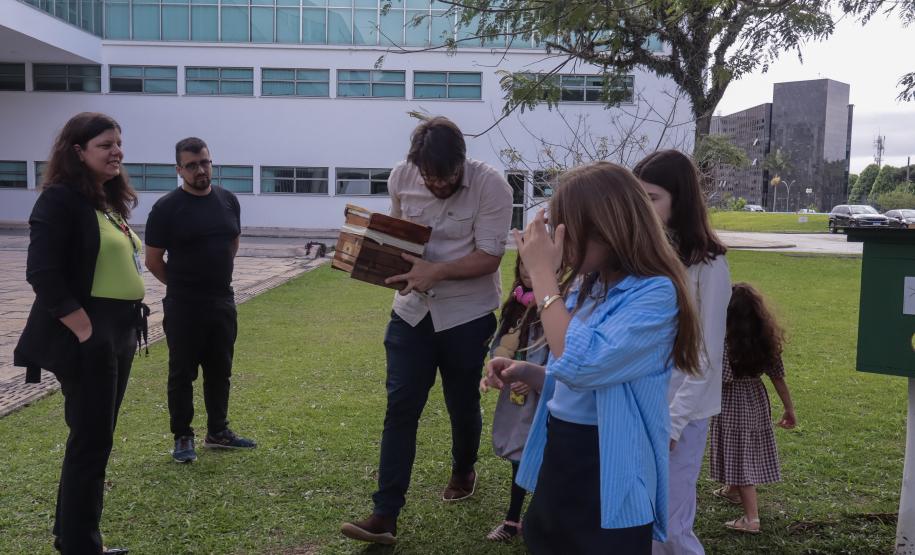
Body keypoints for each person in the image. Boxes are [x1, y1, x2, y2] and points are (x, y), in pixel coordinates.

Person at [490, 161, 703, 554]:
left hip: (609, 467)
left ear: (608, 227)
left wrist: (542, 278)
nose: (559, 245)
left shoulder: (655, 294)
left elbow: (587, 364)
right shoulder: (587, 287)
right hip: (562, 454)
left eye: (567, 231)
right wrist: (533, 374)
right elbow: (575, 375)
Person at [340, 116, 513, 545]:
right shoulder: (402, 176)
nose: (437, 184)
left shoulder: (492, 187)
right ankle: (384, 514)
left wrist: (436, 272)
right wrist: (380, 261)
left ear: (462, 162)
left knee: (460, 402)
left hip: (467, 315)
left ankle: (463, 468)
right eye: (429, 177)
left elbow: (490, 256)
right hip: (411, 313)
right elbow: (400, 237)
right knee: (400, 408)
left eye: (447, 176)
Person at [14, 112, 146, 555]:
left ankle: (74, 537)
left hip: (121, 331)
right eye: (106, 145)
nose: (117, 152)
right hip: (90, 335)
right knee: (90, 441)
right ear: (77, 151)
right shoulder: (59, 200)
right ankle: (79, 545)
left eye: (118, 143)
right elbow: (43, 273)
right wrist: (86, 330)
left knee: (97, 437)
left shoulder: (105, 201)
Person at [633, 150, 732, 555]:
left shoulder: (709, 265)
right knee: (638, 520)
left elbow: (706, 356)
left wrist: (673, 424)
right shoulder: (645, 258)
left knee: (670, 527)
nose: (644, 209)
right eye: (638, 199)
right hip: (638, 405)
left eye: (652, 198)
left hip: (682, 415)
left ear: (681, 199)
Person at [144, 137, 255, 464]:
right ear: (179, 170)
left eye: (204, 162)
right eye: (191, 165)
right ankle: (182, 436)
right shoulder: (165, 209)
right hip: (184, 305)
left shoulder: (228, 200)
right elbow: (153, 260)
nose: (200, 170)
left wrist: (214, 283)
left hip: (222, 301)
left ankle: (218, 431)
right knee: (182, 373)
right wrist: (183, 285)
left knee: (220, 369)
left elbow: (232, 242)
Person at [709, 282, 797, 534]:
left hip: (732, 401)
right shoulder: (764, 339)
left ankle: (751, 519)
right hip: (756, 399)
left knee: (740, 455)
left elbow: (723, 377)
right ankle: (733, 490)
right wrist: (789, 409)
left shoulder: (726, 342)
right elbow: (777, 376)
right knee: (744, 446)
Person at [479, 257, 547, 542]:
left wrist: (533, 378)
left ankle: (535, 521)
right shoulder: (515, 305)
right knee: (518, 457)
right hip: (514, 396)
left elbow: (557, 353)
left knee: (541, 456)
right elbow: (499, 344)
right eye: (523, 266)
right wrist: (495, 371)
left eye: (536, 266)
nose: (528, 273)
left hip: (541, 397)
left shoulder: (554, 307)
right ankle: (513, 520)